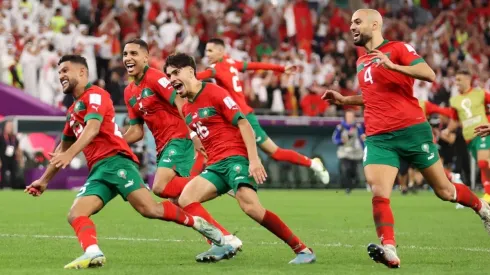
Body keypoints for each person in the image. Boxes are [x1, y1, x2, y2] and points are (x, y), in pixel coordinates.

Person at [322, 9, 490, 269]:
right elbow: (373, 96)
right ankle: (389, 248)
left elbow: (429, 73)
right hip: (379, 136)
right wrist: (346, 100)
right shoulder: (361, 61)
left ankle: (482, 208)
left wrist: (392, 66)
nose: (352, 27)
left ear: (375, 24)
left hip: (412, 130)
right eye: (351, 23)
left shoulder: (397, 48)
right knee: (378, 191)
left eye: (357, 22)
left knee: (445, 191)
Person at [24, 55, 226, 269]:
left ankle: (200, 223)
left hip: (116, 162)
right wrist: (44, 180)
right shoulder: (73, 111)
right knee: (76, 213)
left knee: (150, 209)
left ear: (82, 72)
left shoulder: (96, 95)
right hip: (99, 171)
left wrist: (70, 154)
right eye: (59, 72)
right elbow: (61, 149)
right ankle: (93, 252)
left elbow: (92, 129)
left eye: (65, 70)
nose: (61, 76)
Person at [165, 52, 316, 264]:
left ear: (190, 71)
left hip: (236, 159)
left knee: (251, 208)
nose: (172, 79)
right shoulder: (188, 106)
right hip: (216, 165)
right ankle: (221, 242)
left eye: (175, 73)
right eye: (169, 75)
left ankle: (302, 250)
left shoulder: (215, 92)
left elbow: (244, 124)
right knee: (184, 199)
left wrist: (254, 160)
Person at [122, 39, 242, 258]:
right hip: (163, 147)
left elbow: (180, 100)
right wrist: (114, 140)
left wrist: (194, 133)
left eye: (133, 53)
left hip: (179, 137)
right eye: (125, 54)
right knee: (181, 200)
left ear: (146, 57)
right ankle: (224, 238)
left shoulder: (156, 77)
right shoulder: (129, 92)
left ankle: (219, 183)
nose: (128, 58)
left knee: (159, 187)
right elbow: (136, 131)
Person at [197, 38, 330, 185]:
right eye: (206, 51)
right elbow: (256, 65)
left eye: (210, 50)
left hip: (243, 118)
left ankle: (312, 163)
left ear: (221, 51)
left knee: (275, 153)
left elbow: (197, 78)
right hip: (234, 116)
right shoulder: (232, 63)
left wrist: (178, 79)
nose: (207, 54)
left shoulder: (216, 68)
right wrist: (281, 68)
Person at [443, 69, 490, 203]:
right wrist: (447, 130)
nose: (456, 83)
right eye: (455, 80)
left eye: (459, 80)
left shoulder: (480, 93)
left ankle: (488, 194)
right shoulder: (455, 100)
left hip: (483, 132)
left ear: (468, 80)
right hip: (469, 138)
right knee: (485, 164)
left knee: (482, 162)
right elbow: (454, 120)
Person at [332, 110, 365, 193]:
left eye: (351, 116)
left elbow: (362, 138)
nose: (350, 118)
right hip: (344, 152)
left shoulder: (358, 126)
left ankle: (354, 182)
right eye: (348, 116)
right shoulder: (340, 127)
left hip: (355, 152)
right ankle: (347, 187)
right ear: (345, 117)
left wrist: (364, 142)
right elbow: (335, 139)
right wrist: (341, 141)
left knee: (353, 171)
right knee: (347, 169)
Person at [0, 120, 24, 189]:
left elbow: (18, 149)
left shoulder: (15, 138)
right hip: (3, 159)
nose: (10, 128)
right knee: (3, 173)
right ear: (5, 127)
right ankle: (2, 188)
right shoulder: (1, 137)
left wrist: (20, 160)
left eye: (11, 126)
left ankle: (14, 188)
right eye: (9, 126)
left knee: (14, 173)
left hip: (12, 159)